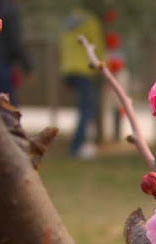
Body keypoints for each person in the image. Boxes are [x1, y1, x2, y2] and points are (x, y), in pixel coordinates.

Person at [59, 7, 105, 158]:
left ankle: (78, 144)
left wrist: (64, 71)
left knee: (83, 107)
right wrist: (104, 67)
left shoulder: (69, 21)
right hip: (84, 69)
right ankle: (78, 146)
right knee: (87, 108)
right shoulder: (92, 22)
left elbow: (63, 45)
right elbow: (97, 48)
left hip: (68, 69)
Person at [0, 0, 33, 106]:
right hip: (2, 65)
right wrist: (28, 66)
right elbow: (15, 42)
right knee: (8, 107)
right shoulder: (10, 9)